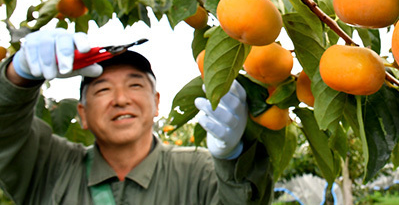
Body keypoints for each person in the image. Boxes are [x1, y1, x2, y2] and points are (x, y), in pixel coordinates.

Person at [0, 28, 273, 204]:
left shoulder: (200, 171)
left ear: (156, 104)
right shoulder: (51, 168)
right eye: (103, 89)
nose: (121, 99)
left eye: (135, 85)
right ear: (82, 113)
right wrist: (16, 76)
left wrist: (235, 159)